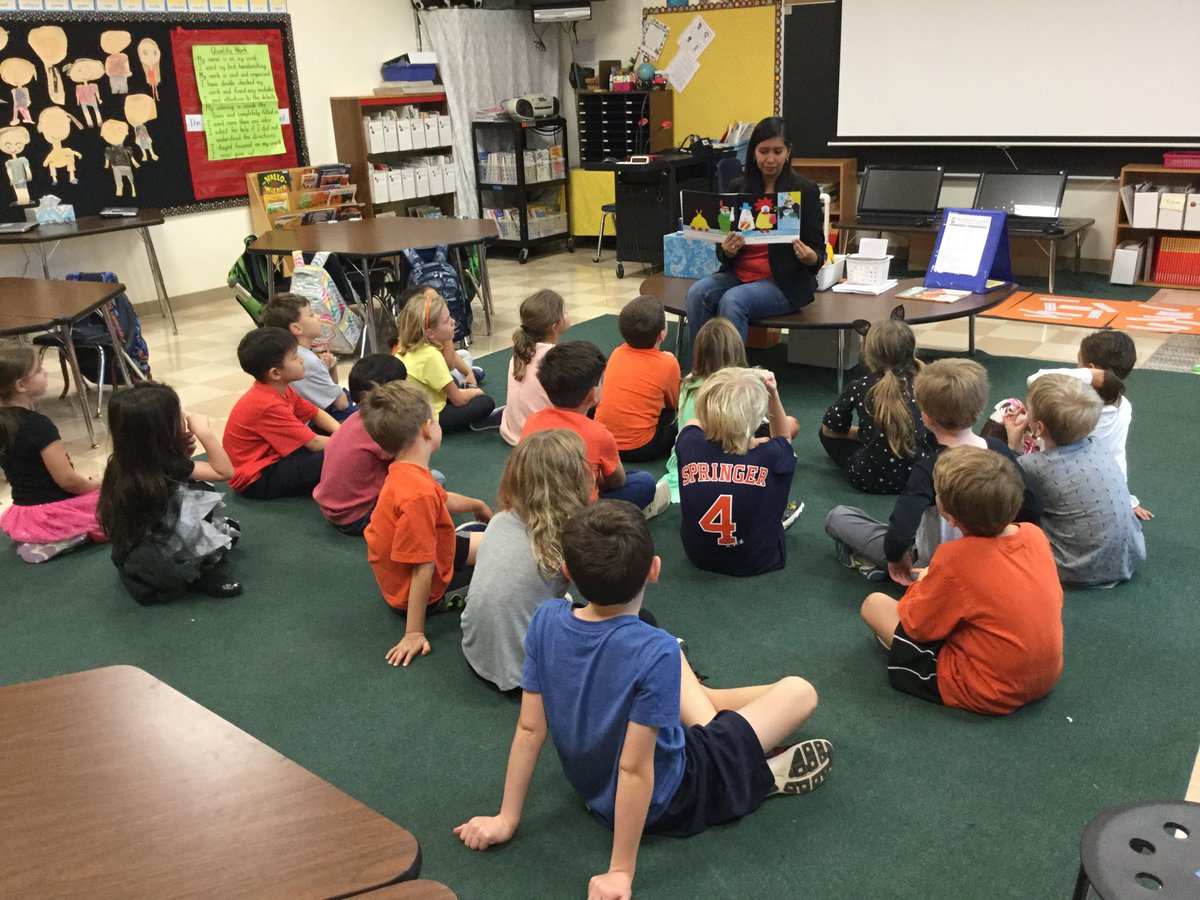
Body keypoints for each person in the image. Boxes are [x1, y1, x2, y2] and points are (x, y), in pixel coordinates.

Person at [454, 500, 833, 898]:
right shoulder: (656, 652)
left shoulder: (546, 619)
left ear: (567, 572)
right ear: (654, 569)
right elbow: (634, 770)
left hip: (595, 788)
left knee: (660, 642)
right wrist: (620, 871)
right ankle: (751, 771)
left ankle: (719, 719)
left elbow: (530, 729)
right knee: (800, 691)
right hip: (675, 796)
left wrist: (506, 818)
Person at [860, 446, 1063, 716]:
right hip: (1046, 677)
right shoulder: (1033, 534)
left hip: (987, 689)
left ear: (951, 517)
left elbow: (918, 626)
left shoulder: (953, 558)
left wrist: (924, 582)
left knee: (874, 604)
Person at [825, 358, 1042, 584]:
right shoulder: (998, 450)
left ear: (926, 417)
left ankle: (875, 563)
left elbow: (901, 528)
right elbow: (1032, 506)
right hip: (992, 559)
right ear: (978, 410)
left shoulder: (931, 467)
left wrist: (895, 557)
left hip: (933, 565)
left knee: (838, 517)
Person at [360, 380, 492, 668]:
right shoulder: (417, 494)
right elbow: (422, 568)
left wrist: (477, 505)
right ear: (426, 429)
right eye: (436, 418)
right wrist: (414, 633)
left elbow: (441, 498)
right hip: (419, 590)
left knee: (497, 541)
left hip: (432, 550)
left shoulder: (408, 471)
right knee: (503, 570)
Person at [461, 429, 592, 692]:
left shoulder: (499, 520)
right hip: (527, 672)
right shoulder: (566, 539)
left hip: (476, 651)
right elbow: (602, 599)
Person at [684, 116, 825, 352]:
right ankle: (699, 368)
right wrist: (727, 250)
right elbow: (722, 248)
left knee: (733, 300)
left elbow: (818, 253)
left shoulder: (804, 190)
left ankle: (732, 373)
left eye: (777, 151)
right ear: (753, 153)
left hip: (784, 283)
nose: (770, 159)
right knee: (697, 293)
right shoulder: (737, 187)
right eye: (763, 151)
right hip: (739, 275)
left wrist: (809, 257)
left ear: (788, 151)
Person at [98, 382, 242, 602]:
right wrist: (204, 432)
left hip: (137, 542)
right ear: (161, 428)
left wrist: (182, 453)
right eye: (176, 413)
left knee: (207, 509)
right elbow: (224, 471)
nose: (183, 415)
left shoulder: (125, 460)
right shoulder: (166, 463)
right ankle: (201, 572)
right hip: (163, 549)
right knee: (199, 495)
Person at [1017, 375, 1145, 588]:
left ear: (1039, 427)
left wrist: (1012, 446)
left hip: (1075, 569)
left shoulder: (1032, 464)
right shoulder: (1098, 445)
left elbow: (1008, 486)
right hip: (1129, 557)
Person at [676, 367, 800, 577]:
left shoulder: (688, 442)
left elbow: (695, 422)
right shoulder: (773, 454)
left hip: (698, 556)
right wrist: (772, 392)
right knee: (785, 462)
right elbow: (784, 438)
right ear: (756, 419)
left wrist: (724, 384)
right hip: (757, 561)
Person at [1017, 329, 1152, 521]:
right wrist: (1125, 498)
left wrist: (1090, 376)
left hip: (1060, 484)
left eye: (1079, 366)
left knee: (1014, 412)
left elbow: (1035, 380)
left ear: (1089, 369)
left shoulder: (1072, 407)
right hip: (1101, 485)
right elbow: (1117, 455)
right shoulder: (1124, 407)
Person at [519, 341, 663, 515]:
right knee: (643, 482)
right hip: (583, 516)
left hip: (537, 507)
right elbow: (617, 481)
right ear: (593, 394)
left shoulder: (532, 422)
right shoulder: (599, 433)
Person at [0, 345, 105, 563]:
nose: (46, 373)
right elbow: (67, 480)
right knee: (117, 503)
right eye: (38, 370)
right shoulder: (38, 425)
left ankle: (40, 538)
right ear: (20, 385)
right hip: (52, 512)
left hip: (24, 513)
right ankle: (61, 538)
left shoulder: (5, 422)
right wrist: (95, 485)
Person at [223, 327, 340, 499]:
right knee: (338, 454)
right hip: (257, 478)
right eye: (294, 357)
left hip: (276, 456)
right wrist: (347, 443)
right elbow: (314, 443)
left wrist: (341, 432)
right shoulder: (267, 404)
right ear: (276, 373)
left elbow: (314, 412)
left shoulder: (281, 388)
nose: (302, 360)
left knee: (340, 434)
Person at [819, 317, 930, 494]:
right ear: (911, 349)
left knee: (824, 433)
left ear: (868, 353)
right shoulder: (926, 383)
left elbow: (830, 429)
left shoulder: (860, 385)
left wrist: (864, 434)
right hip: (918, 477)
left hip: (868, 477)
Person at [313, 354, 413, 536]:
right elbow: (408, 466)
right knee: (433, 481)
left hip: (332, 511)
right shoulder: (382, 428)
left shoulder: (355, 419)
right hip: (357, 518)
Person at [660, 317, 749, 503]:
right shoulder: (739, 388)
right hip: (723, 462)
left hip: (685, 458)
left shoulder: (688, 381)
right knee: (786, 430)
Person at [394, 288, 497, 433]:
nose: (453, 322)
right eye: (447, 321)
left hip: (413, 413)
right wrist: (476, 392)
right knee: (485, 402)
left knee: (452, 380)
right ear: (430, 334)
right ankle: (472, 422)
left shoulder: (408, 347)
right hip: (429, 418)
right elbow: (458, 400)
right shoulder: (431, 355)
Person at [595, 295, 681, 462]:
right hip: (641, 447)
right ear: (662, 334)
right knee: (680, 416)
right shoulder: (668, 363)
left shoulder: (617, 353)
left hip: (604, 442)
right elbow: (675, 404)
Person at [260, 292, 355, 422]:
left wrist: (330, 369)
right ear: (297, 328)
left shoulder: (289, 353)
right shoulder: (307, 360)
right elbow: (342, 404)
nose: (318, 317)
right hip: (315, 421)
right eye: (311, 315)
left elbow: (329, 393)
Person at [499, 289, 570, 446]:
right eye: (565, 311)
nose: (568, 313)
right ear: (555, 327)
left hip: (513, 430)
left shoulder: (520, 350)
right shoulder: (556, 357)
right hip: (542, 437)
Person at [394, 284, 486, 391]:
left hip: (440, 368)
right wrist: (447, 337)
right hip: (434, 379)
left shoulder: (422, 332)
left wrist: (469, 373)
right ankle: (462, 379)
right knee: (454, 376)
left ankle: (467, 375)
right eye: (434, 301)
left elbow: (451, 356)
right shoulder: (425, 343)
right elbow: (450, 364)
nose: (440, 303)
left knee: (465, 354)